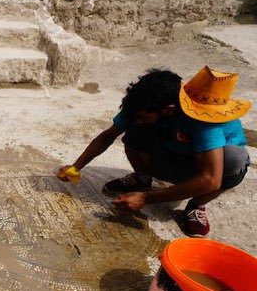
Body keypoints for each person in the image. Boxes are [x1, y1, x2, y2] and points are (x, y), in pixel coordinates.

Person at [58, 67, 252, 237]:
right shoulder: (143, 104)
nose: (138, 119)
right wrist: (76, 166)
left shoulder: (204, 120)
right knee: (135, 130)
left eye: (143, 116)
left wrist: (146, 198)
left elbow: (211, 179)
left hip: (205, 170)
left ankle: (196, 205)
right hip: (175, 156)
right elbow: (108, 136)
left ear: (168, 110)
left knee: (234, 159)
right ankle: (142, 179)